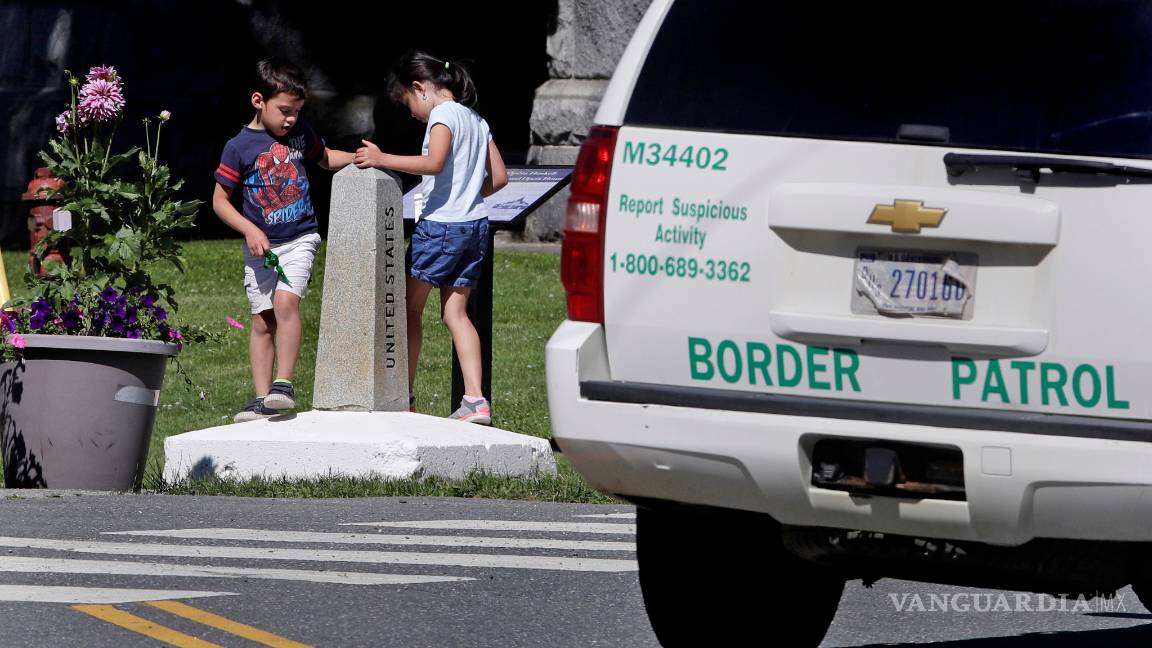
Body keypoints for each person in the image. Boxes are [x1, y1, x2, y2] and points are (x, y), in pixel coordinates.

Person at [354, 50, 508, 425]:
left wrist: (381, 157)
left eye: (409, 103)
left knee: (409, 310)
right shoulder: (476, 119)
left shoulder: (442, 115)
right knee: (456, 313)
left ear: (420, 88)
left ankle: (403, 396)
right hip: (475, 227)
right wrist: (468, 194)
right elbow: (500, 177)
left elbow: (434, 163)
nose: (412, 113)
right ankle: (476, 401)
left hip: (440, 228)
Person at [213, 58, 354, 422]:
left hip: (300, 237)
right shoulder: (239, 146)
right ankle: (264, 401)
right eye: (284, 111)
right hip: (260, 244)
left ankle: (284, 384)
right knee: (262, 321)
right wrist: (249, 229)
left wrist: (358, 158)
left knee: (286, 302)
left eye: (297, 112)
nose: (291, 119)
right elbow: (219, 201)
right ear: (258, 100)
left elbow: (324, 158)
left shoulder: (300, 134)